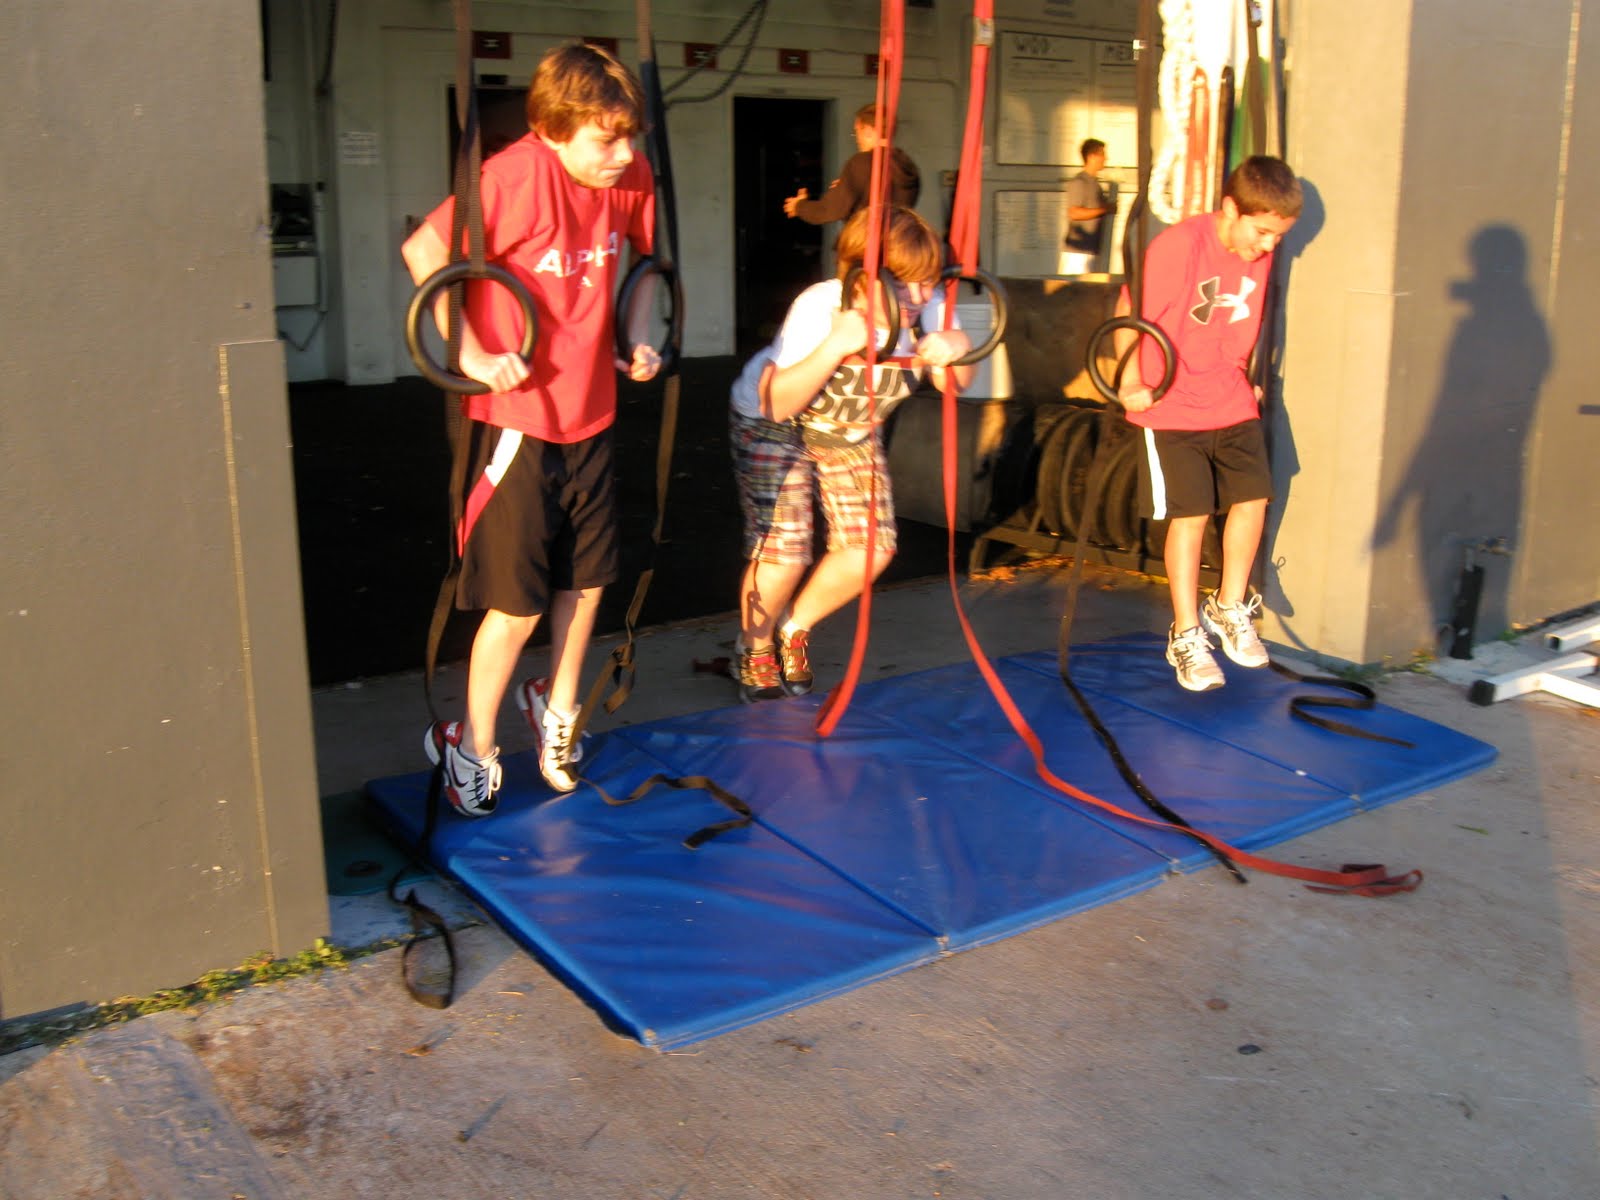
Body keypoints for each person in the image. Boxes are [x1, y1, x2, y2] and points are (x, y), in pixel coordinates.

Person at [399, 42, 662, 815]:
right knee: (515, 605)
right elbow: (424, 253)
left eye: (628, 138)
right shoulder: (516, 178)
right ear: (552, 129)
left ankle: (556, 704)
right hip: (515, 422)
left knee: (587, 584)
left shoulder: (629, 175)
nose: (621, 156)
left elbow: (640, 265)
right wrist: (476, 354)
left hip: (591, 414)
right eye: (604, 141)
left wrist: (631, 335)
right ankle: (469, 745)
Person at [729, 205, 973, 702]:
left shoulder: (927, 311)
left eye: (928, 282)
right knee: (786, 551)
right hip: (776, 423)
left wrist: (956, 343)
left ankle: (793, 629)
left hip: (849, 429)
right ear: (866, 276)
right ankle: (752, 648)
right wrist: (834, 347)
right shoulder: (823, 306)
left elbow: (957, 384)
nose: (919, 297)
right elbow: (777, 402)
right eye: (905, 283)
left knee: (872, 549)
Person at [1112, 155, 1302, 692]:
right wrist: (1129, 383)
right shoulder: (1178, 248)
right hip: (1171, 400)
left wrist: (1245, 372)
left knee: (1253, 497)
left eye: (1277, 236)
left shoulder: (1258, 253)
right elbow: (1130, 317)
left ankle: (1229, 606)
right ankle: (1187, 633)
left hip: (1227, 394)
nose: (1267, 246)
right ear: (1230, 210)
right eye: (1262, 232)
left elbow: (1237, 320)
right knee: (1192, 515)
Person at [783, 103, 921, 226]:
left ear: (867, 130)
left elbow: (830, 210)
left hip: (866, 248)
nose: (857, 139)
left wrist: (799, 206)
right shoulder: (908, 166)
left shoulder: (861, 163)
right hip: (899, 246)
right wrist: (849, 190)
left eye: (857, 132)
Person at [1059, 138, 1112, 275]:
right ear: (1091, 157)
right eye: (1102, 154)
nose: (1106, 158)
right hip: (1077, 254)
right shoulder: (1079, 182)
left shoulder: (1095, 185)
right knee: (1074, 293)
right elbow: (1074, 213)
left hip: (1091, 250)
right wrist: (1104, 209)